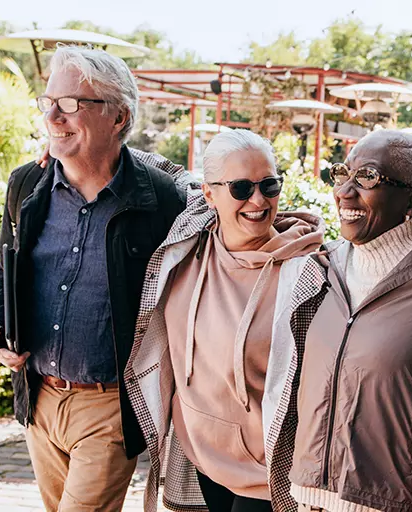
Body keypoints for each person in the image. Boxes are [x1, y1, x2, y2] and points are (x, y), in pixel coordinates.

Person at [0, 46, 187, 511]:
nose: (52, 116)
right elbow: (6, 271)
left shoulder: (162, 199)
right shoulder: (26, 184)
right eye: (48, 102)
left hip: (109, 406)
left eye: (71, 104)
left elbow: (222, 205)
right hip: (38, 399)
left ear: (118, 117)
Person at [265, 130, 412, 512]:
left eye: (368, 178)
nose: (345, 191)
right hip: (309, 496)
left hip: (391, 502)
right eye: (343, 173)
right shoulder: (325, 266)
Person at [125, 129, 325, 512]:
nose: (258, 200)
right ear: (209, 194)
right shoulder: (190, 239)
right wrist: (66, 150)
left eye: (269, 185)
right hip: (202, 455)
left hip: (268, 469)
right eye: (241, 188)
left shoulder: (307, 273)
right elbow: (152, 164)